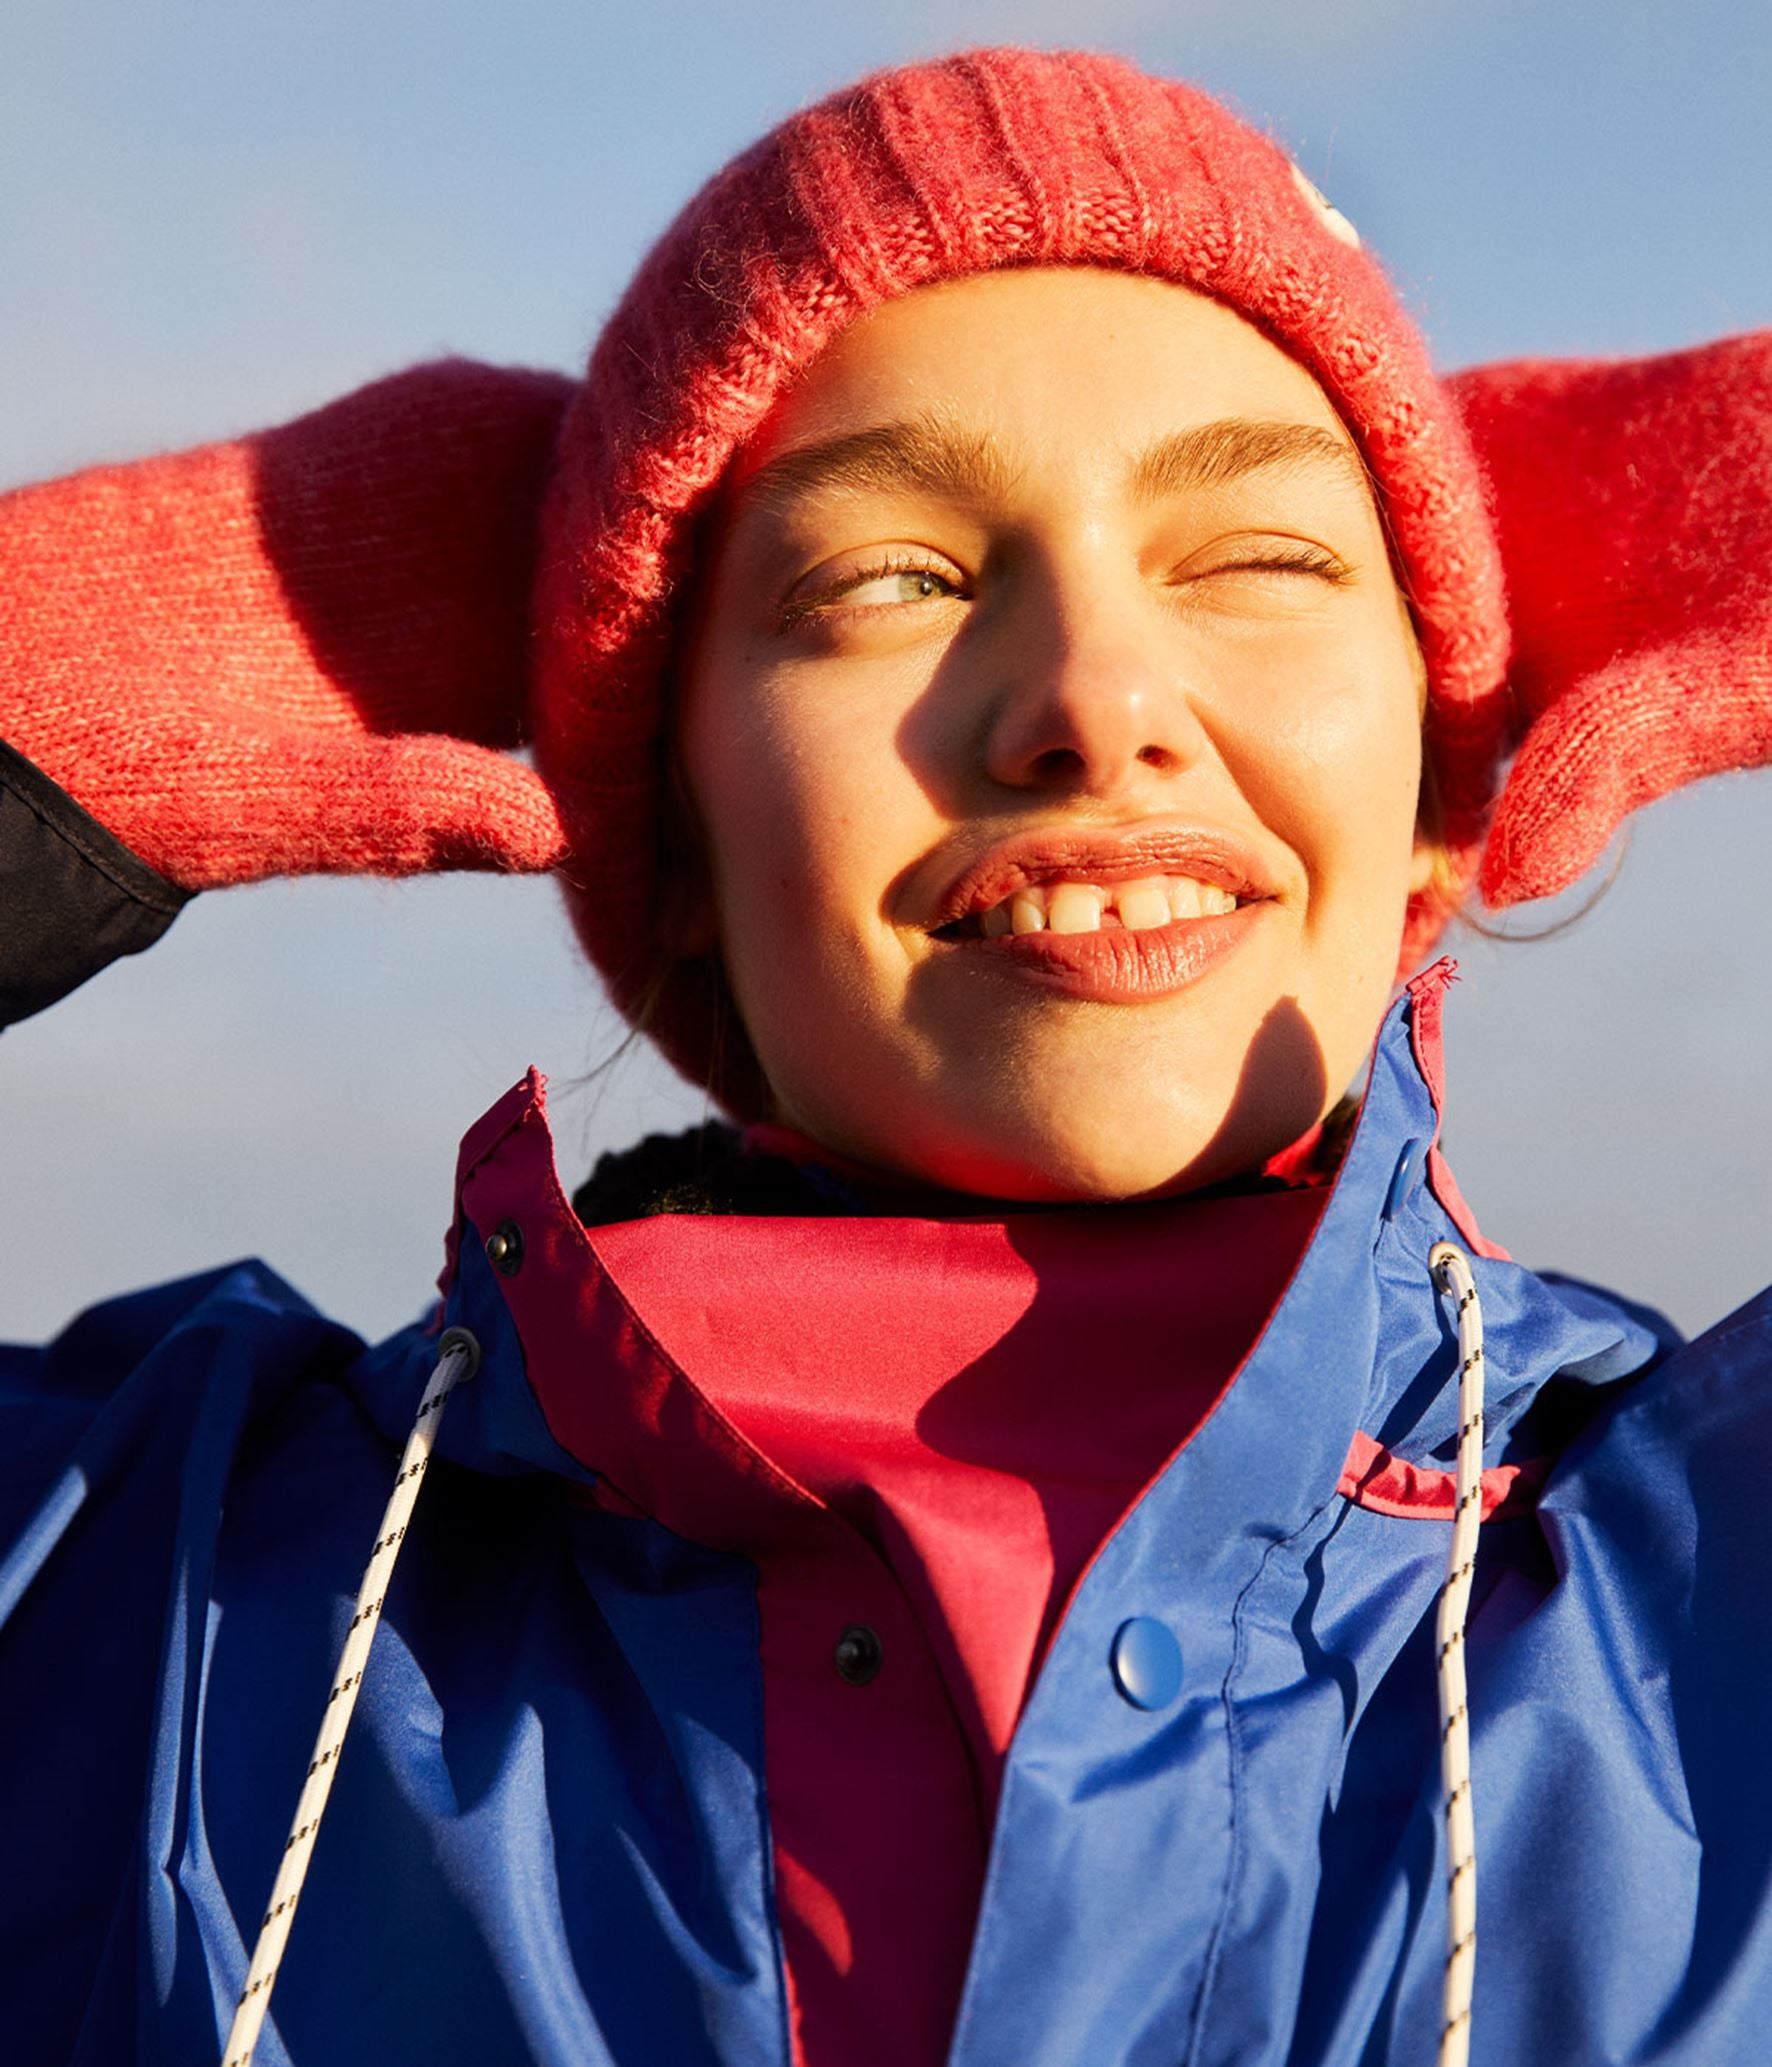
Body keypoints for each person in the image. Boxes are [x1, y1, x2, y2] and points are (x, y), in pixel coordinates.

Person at [2, 43, 1769, 2067]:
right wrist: (41, 703)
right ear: (670, 828)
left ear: (1450, 776)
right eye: (892, 579)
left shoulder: (1704, 1565)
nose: (1093, 704)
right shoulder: (164, 1585)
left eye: (1262, 562)